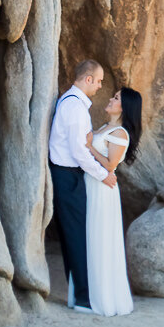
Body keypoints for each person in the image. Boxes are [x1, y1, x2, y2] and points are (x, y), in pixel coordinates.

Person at [47, 59, 113, 312]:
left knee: (72, 236)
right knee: (76, 237)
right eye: (98, 81)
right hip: (67, 175)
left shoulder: (71, 102)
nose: (99, 86)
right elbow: (78, 151)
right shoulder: (74, 107)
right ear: (87, 79)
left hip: (67, 174)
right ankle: (84, 299)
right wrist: (101, 174)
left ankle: (78, 295)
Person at [82, 86, 143, 316]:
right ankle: (90, 295)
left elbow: (109, 165)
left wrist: (88, 147)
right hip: (92, 186)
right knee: (91, 238)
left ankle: (104, 300)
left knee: (101, 240)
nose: (110, 99)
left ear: (124, 106)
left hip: (102, 191)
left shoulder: (120, 133)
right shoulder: (106, 127)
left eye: (116, 98)